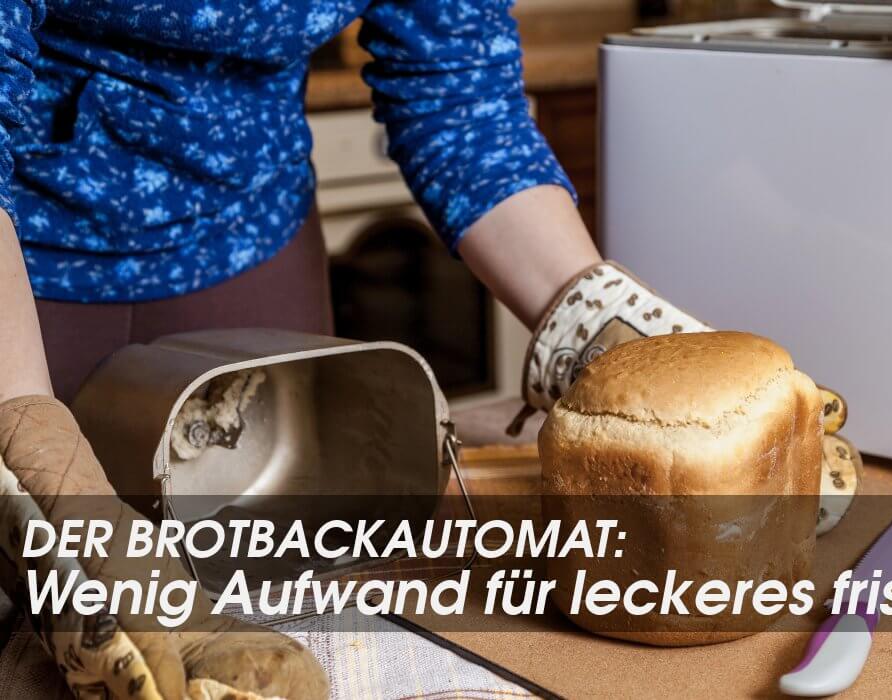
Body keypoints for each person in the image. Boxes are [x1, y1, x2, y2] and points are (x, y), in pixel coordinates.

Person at [0, 2, 708, 697]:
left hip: (253, 241)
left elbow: (457, 90)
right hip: (23, 266)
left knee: (302, 578)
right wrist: (29, 442)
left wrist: (612, 332)